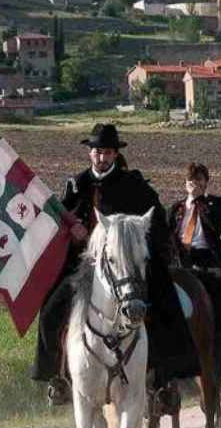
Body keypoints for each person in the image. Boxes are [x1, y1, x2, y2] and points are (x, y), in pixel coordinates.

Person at [30, 123, 198, 406]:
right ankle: (56, 377)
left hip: (127, 264)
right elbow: (60, 221)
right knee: (49, 311)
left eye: (107, 152)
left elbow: (155, 221)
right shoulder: (76, 184)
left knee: (164, 302)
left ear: (115, 155)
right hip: (85, 265)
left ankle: (165, 381)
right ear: (90, 154)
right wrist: (72, 231)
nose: (102, 157)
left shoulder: (133, 184)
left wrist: (137, 241)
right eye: (97, 152)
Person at [167, 162, 221, 358]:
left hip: (207, 257)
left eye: (199, 180)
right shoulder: (177, 208)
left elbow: (214, 223)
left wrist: (199, 199)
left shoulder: (216, 204)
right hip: (181, 258)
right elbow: (166, 233)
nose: (194, 183)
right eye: (191, 180)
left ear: (206, 182)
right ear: (185, 183)